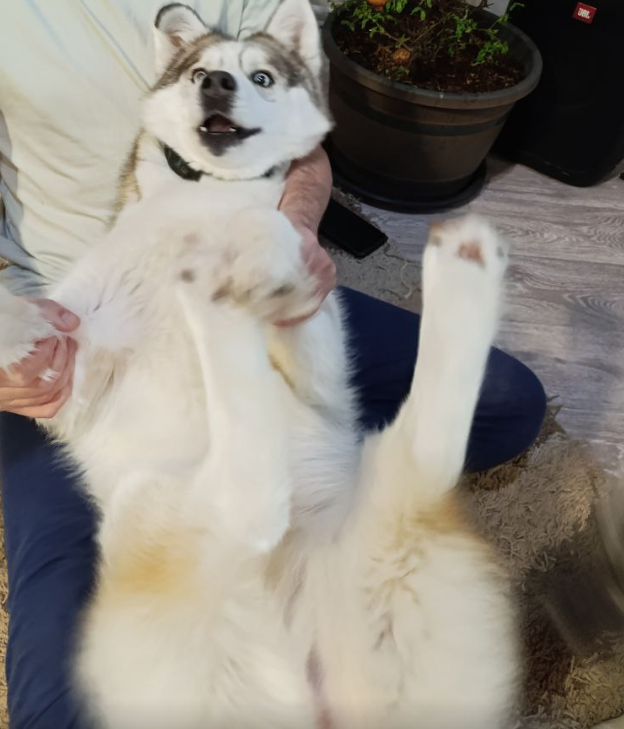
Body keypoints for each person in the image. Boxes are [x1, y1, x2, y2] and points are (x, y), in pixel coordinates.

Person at [0, 1, 547, 726]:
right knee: (55, 694)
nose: (222, 85)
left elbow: (304, 147)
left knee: (508, 402)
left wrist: (294, 232)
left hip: (258, 272)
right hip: (67, 325)